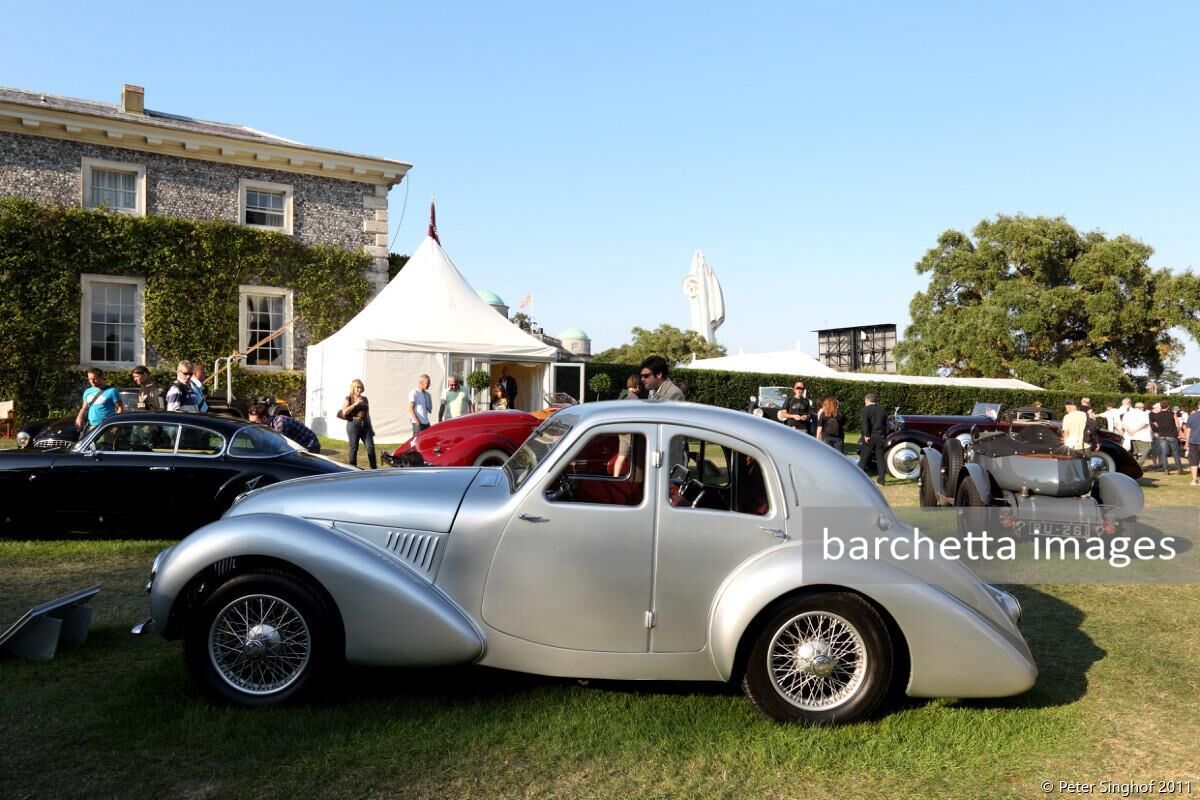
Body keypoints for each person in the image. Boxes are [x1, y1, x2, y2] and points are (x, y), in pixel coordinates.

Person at [248, 402, 320, 453]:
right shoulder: (268, 425)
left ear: (264, 418)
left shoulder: (280, 422)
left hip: (310, 445)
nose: (253, 425)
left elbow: (277, 445)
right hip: (299, 446)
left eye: (255, 422)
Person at [341, 379, 376, 469]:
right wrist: (355, 404)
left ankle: (374, 470)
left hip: (365, 425)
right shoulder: (348, 398)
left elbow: (367, 415)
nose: (359, 389)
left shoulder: (365, 399)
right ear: (353, 388)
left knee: (370, 448)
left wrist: (371, 428)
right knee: (354, 448)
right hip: (353, 425)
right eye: (357, 387)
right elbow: (344, 412)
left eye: (361, 387)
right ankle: (352, 470)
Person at [75, 367, 123, 432]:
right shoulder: (87, 391)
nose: (92, 381)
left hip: (106, 427)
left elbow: (120, 408)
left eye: (95, 379)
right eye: (90, 379)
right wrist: (79, 418)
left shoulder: (112, 391)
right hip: (90, 426)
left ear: (101, 377)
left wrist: (114, 424)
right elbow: (84, 408)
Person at [859, 393, 888, 485]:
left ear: (867, 400)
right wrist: (884, 435)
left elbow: (865, 423)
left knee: (864, 458)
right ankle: (881, 480)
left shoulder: (865, 410)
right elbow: (887, 425)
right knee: (880, 458)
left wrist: (866, 435)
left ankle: (858, 478)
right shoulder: (882, 410)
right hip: (880, 436)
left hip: (870, 437)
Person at [1149, 401, 1182, 474]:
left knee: (1163, 453)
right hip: (1172, 435)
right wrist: (1177, 432)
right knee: (1175, 453)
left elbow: (1155, 425)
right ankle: (1179, 469)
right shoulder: (1173, 414)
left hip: (1162, 435)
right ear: (1168, 407)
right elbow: (1178, 425)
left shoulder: (1156, 416)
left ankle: (1166, 470)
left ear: (1161, 406)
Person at [1123, 401, 1153, 466]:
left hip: (1130, 436)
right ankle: (1137, 466)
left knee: (1135, 453)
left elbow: (1124, 424)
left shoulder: (1127, 414)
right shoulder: (1144, 414)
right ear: (1142, 408)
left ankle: (1132, 465)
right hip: (1142, 436)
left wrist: (1128, 431)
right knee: (1144, 451)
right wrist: (1134, 431)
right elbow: (1144, 424)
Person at [1188, 403, 1200, 485]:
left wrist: (1186, 442)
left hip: (1193, 440)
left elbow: (1188, 430)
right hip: (1194, 440)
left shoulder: (1192, 416)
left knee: (1194, 461)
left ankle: (1194, 480)